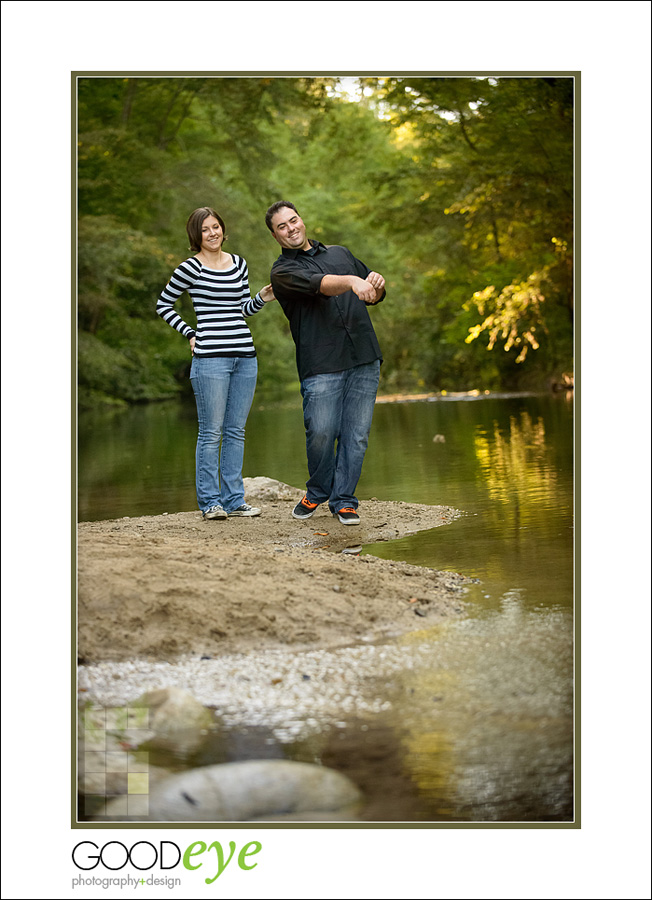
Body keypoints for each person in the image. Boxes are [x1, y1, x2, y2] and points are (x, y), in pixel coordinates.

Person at [265, 200, 385, 526]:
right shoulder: (283, 273)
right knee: (320, 432)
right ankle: (318, 490)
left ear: (302, 220)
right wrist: (351, 282)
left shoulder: (340, 253)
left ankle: (344, 500)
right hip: (321, 363)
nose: (291, 228)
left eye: (294, 220)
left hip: (363, 356)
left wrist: (375, 287)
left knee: (356, 435)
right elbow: (323, 285)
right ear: (275, 235)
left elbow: (368, 290)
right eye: (282, 226)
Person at [157, 206, 275, 520]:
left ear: (223, 229)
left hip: (245, 357)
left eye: (216, 227)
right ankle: (211, 502)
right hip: (210, 361)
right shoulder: (189, 268)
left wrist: (261, 297)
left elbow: (242, 309)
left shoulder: (239, 263)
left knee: (236, 431)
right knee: (212, 433)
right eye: (205, 229)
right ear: (196, 236)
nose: (213, 233)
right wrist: (189, 332)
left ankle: (235, 501)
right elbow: (163, 303)